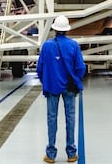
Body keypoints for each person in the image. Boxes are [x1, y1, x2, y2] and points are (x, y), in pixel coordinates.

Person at [37, 15, 86, 163]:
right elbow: (81, 67)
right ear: (66, 30)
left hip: (52, 87)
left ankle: (51, 154)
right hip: (69, 88)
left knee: (51, 119)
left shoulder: (46, 46)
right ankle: (71, 153)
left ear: (54, 29)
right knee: (70, 118)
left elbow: (40, 69)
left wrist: (46, 81)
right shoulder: (73, 45)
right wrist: (75, 80)